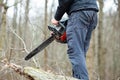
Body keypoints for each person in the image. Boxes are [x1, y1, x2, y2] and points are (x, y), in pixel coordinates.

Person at [51, 0, 98, 80]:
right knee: (80, 52)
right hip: (92, 13)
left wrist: (56, 18)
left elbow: (64, 1)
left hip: (79, 14)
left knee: (76, 52)